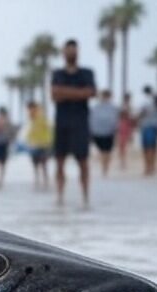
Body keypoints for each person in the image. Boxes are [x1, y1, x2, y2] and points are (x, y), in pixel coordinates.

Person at [50, 39, 96, 207]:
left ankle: (85, 198)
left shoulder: (86, 73)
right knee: (59, 160)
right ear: (63, 53)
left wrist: (65, 92)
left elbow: (90, 93)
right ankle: (60, 197)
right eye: (68, 50)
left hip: (80, 122)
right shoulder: (57, 74)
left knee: (83, 161)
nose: (71, 53)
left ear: (78, 52)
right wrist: (79, 93)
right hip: (61, 122)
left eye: (74, 50)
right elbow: (54, 94)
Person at [89, 89, 120, 176]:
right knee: (102, 150)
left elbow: (116, 120)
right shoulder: (96, 107)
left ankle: (105, 167)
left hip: (109, 132)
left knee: (107, 151)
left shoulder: (113, 108)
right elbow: (91, 119)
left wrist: (115, 130)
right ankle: (104, 166)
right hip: (98, 132)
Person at [138, 88, 157, 177]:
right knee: (151, 148)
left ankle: (149, 167)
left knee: (149, 148)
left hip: (149, 128)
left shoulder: (153, 106)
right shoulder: (154, 106)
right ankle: (150, 166)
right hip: (149, 128)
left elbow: (141, 114)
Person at [25, 101, 52, 189]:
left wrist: (49, 141)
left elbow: (48, 128)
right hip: (34, 144)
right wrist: (28, 140)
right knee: (35, 164)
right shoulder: (31, 117)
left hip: (43, 144)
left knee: (43, 163)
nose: (29, 110)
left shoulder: (41, 116)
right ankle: (37, 180)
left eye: (30, 108)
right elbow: (30, 130)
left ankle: (45, 181)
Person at [117, 92, 135, 170]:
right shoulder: (125, 106)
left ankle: (123, 161)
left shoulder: (127, 107)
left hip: (126, 126)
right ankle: (122, 161)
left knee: (123, 146)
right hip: (124, 125)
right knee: (122, 146)